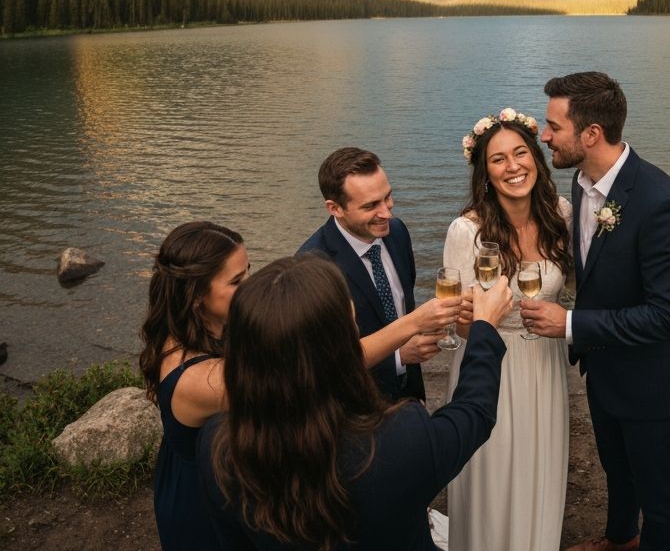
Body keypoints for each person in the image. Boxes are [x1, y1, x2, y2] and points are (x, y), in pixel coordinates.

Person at [196, 254, 514, 551]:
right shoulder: (398, 441)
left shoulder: (218, 446)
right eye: (352, 322)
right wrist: (484, 327)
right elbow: (474, 412)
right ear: (340, 346)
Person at [521, 72, 670, 551]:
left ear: (591, 134)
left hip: (652, 381)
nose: (544, 136)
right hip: (604, 369)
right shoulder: (582, 183)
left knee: (657, 492)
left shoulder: (662, 204)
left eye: (553, 126)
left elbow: (668, 316)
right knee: (616, 469)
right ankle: (621, 538)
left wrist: (570, 323)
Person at [443, 107, 573, 551]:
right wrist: (477, 316)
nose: (513, 166)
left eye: (520, 153)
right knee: (493, 476)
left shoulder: (562, 214)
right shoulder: (467, 232)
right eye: (498, 159)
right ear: (485, 172)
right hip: (489, 363)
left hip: (544, 360)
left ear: (535, 157)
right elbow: (460, 326)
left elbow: (579, 285)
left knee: (540, 465)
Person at [298, 146, 459, 400]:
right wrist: (398, 357)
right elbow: (322, 364)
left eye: (388, 197)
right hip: (356, 406)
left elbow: (403, 303)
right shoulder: (311, 267)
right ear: (335, 208)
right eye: (371, 205)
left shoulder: (397, 232)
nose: (387, 212)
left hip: (409, 396)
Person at [140, 221, 249, 550]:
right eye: (237, 281)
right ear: (198, 295)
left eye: (248, 272)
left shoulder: (190, 328)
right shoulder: (204, 379)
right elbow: (308, 380)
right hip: (204, 502)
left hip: (191, 472)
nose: (250, 286)